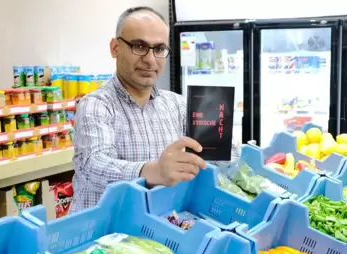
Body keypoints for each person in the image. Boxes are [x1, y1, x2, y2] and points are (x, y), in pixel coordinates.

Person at [70, 6, 239, 213]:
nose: (150, 60)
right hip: (106, 235)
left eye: (159, 49)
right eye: (139, 46)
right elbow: (94, 166)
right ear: (115, 48)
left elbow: (224, 156)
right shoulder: (96, 104)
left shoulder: (176, 105)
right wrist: (154, 171)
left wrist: (225, 143)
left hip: (160, 227)